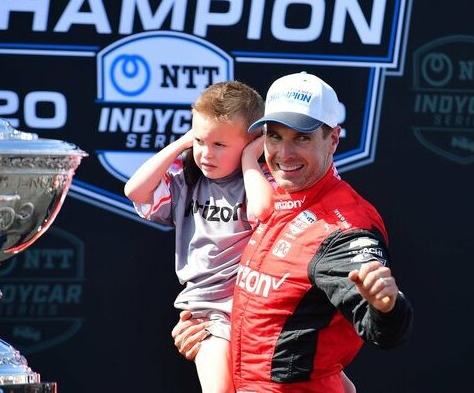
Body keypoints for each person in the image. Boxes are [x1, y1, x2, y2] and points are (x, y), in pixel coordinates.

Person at [171, 71, 413, 392]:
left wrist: (387, 307)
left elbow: (382, 328)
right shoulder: (275, 196)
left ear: (333, 139)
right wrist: (207, 332)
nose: (284, 154)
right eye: (275, 137)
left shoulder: (345, 226)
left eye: (301, 137)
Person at [124, 80, 273, 393]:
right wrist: (182, 144)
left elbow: (261, 210)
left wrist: (250, 160)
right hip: (208, 314)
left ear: (252, 142)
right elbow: (134, 190)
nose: (206, 153)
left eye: (220, 145)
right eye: (200, 141)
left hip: (258, 311)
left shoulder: (260, 178)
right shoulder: (187, 180)